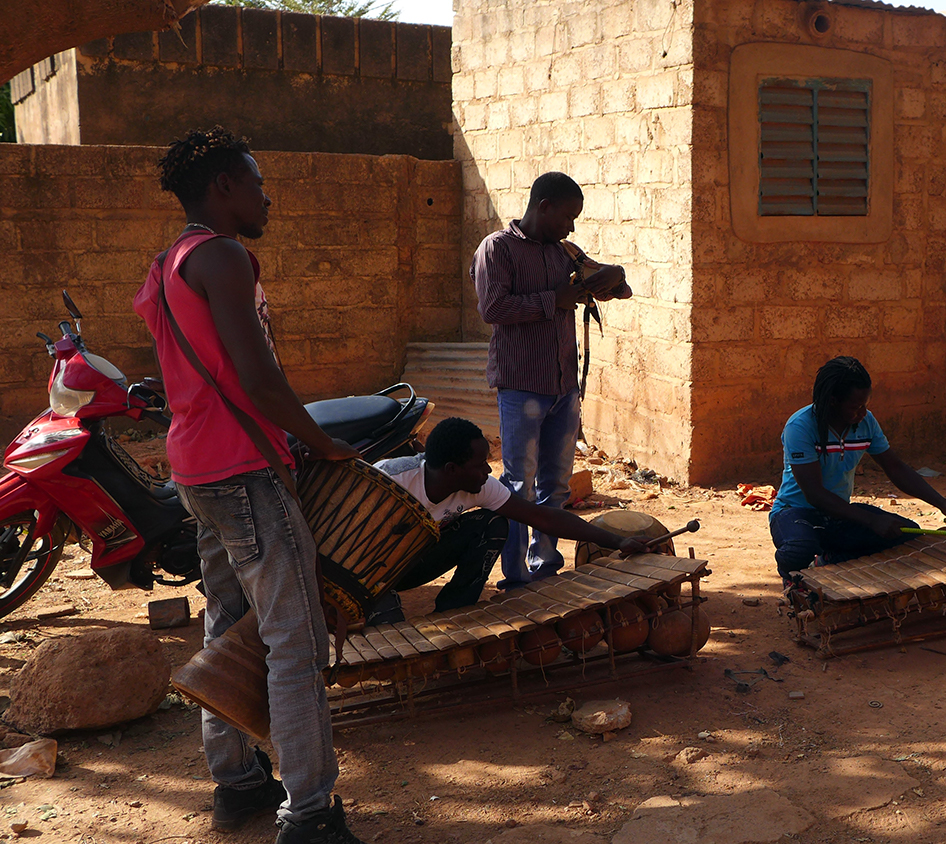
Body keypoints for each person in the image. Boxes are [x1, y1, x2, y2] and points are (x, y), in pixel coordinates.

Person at [134, 127, 364, 843]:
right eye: (258, 182)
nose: (267, 195)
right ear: (226, 186)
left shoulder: (168, 261)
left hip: (196, 469)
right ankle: (311, 814)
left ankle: (235, 784)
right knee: (296, 639)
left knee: (226, 622)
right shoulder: (224, 256)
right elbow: (257, 376)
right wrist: (322, 442)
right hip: (244, 469)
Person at [471, 172, 632, 590]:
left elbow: (619, 290)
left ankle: (546, 567)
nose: (572, 226)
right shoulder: (497, 249)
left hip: (564, 388)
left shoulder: (566, 253)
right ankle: (517, 577)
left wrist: (614, 275)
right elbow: (492, 308)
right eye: (567, 216)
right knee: (518, 485)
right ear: (543, 207)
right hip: (522, 385)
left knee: (556, 485)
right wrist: (553, 300)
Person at [368, 417, 651, 623]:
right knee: (391, 636)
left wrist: (618, 541)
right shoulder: (388, 482)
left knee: (492, 524)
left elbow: (542, 517)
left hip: (417, 559)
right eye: (480, 464)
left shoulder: (479, 485)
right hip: (372, 573)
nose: (488, 469)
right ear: (452, 469)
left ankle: (453, 613)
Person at [770, 356, 946, 585]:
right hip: (795, 513)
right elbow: (814, 494)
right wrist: (870, 521)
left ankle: (829, 560)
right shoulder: (800, 427)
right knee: (799, 549)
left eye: (865, 405)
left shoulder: (866, 423)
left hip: (839, 513)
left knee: (907, 534)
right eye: (855, 407)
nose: (863, 413)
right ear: (833, 401)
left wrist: (943, 504)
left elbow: (895, 468)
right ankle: (793, 581)